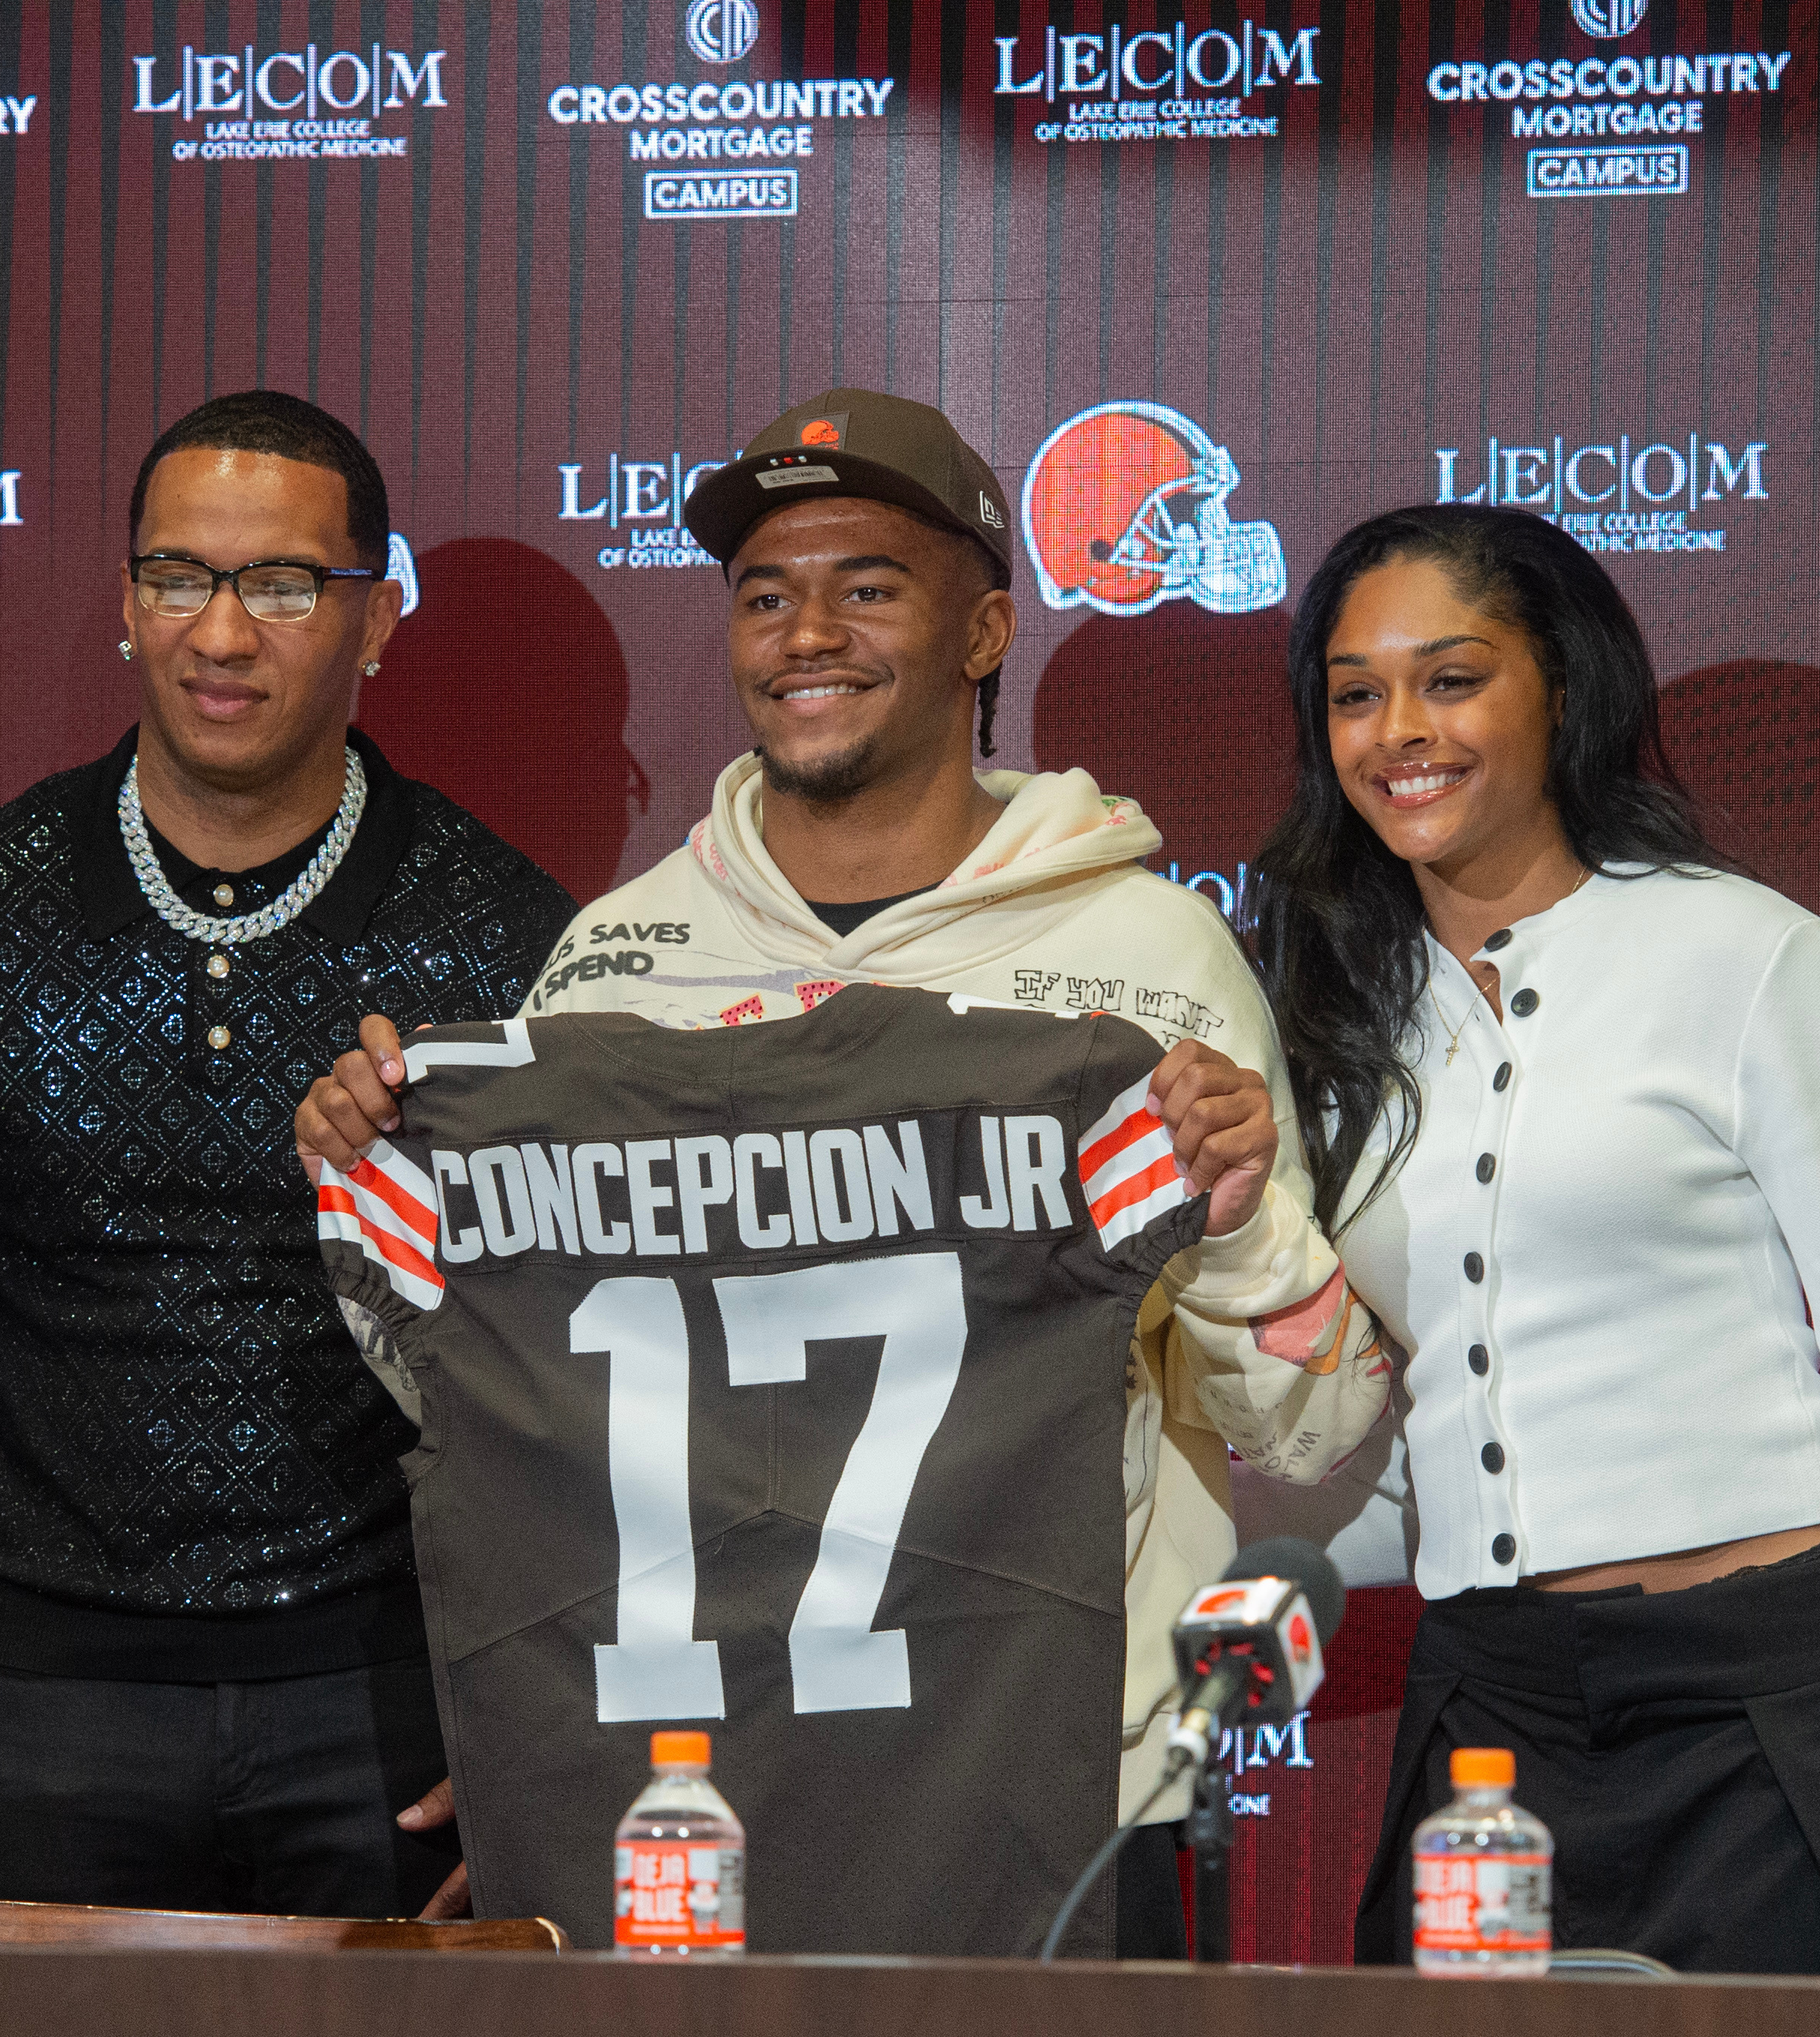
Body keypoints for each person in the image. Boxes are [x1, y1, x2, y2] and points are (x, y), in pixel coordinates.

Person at [297, 387, 1391, 1955]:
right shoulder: (613, 969)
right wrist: (378, 1192)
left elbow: (1319, 1424)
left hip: (1067, 1795)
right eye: (764, 593)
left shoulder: (1142, 958)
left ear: (985, 627)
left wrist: (1234, 1226)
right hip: (687, 1798)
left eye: (867, 584)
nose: (806, 630)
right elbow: (516, 1413)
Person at [0, 390, 577, 1940]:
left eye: (283, 584)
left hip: (391, 1712)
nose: (222, 634)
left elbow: (574, 1389)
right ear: (127, 607)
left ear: (376, 618)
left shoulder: (504, 935)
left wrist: (545, 1736)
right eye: (178, 579)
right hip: (53, 1704)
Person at [1245, 503, 1820, 1976]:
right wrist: (1245, 1572)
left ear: (1564, 692)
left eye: (1451, 678)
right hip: (1488, 1723)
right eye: (1354, 692)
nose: (1398, 729)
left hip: (1768, 1716)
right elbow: (1462, 1422)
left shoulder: (1741, 956)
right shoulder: (1337, 1021)